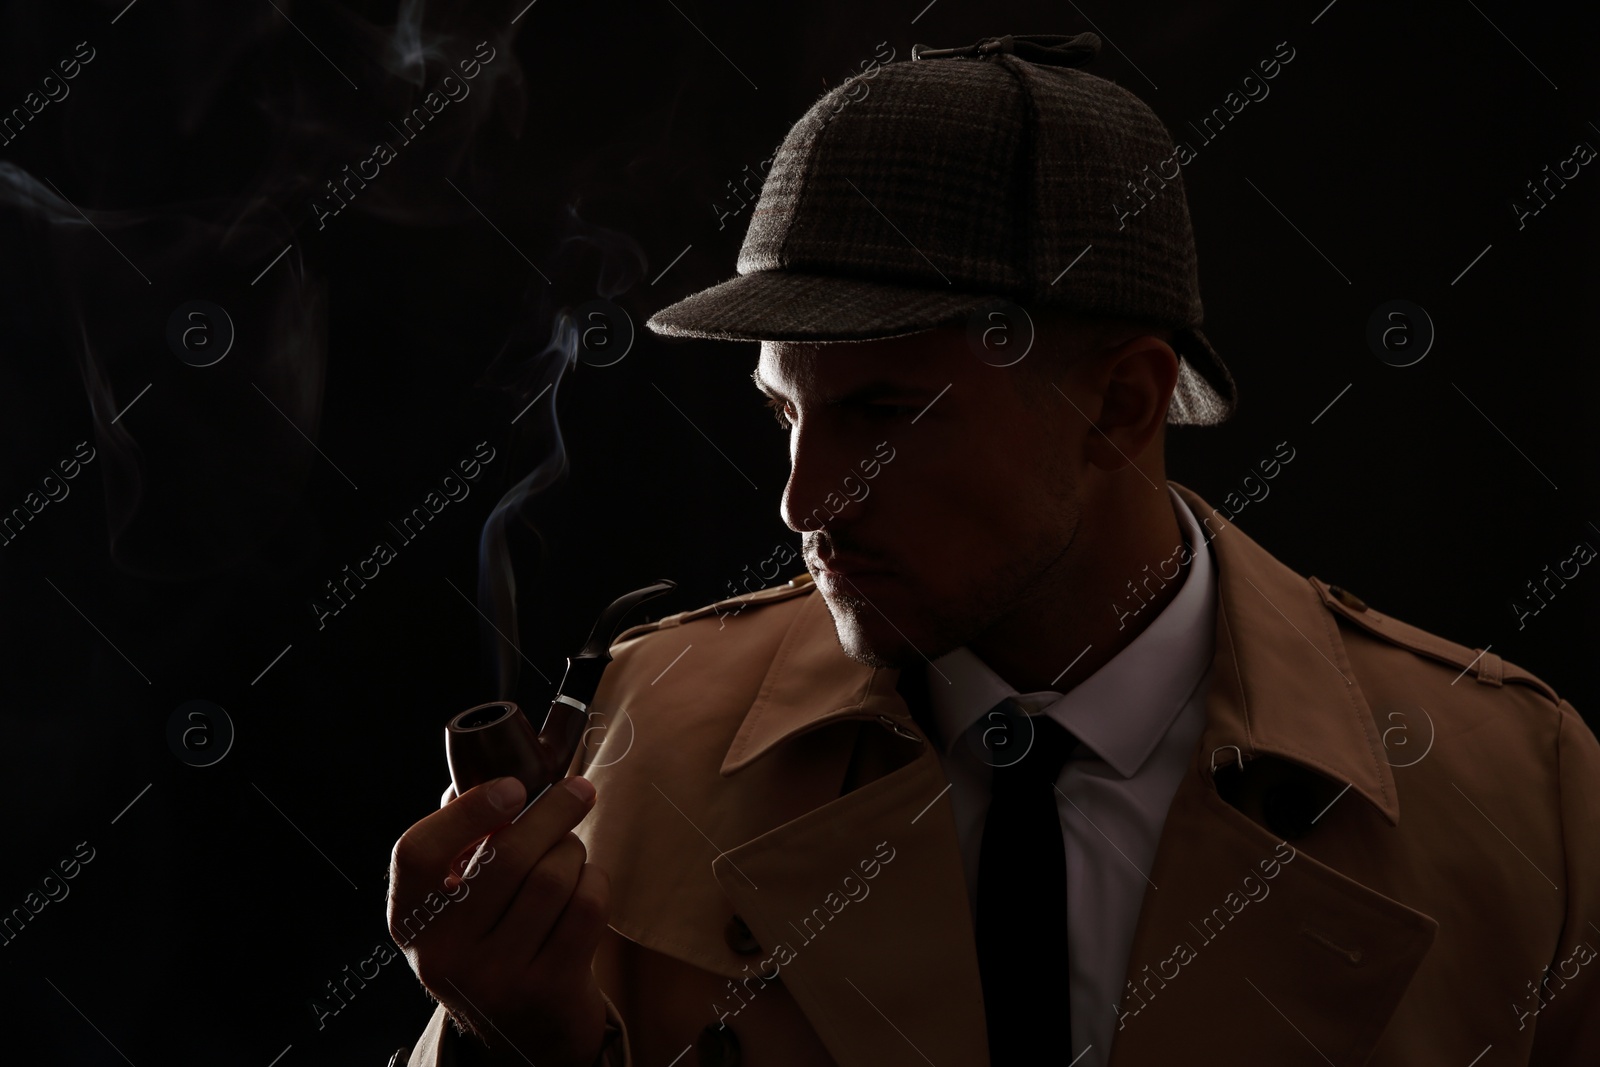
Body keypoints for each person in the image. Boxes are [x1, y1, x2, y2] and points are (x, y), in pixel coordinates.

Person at [386, 33, 1600, 1066]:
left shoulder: (1518, 795)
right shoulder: (646, 734)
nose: (802, 501)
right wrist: (501, 1040)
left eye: (884, 412)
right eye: (784, 412)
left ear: (1122, 403)